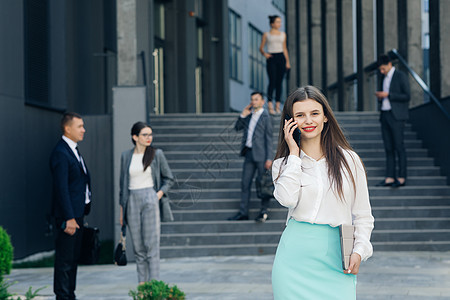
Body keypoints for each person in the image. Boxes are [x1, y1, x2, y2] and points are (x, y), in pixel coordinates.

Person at [271, 86, 374, 299]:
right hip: (294, 258)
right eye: (300, 115)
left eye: (314, 113)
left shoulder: (349, 160)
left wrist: (359, 250)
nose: (308, 120)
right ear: (290, 122)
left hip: (337, 255)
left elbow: (363, 214)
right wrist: (293, 154)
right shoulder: (284, 164)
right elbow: (287, 200)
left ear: (325, 117)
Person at [119, 122, 174, 284]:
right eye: (145, 135)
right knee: (138, 248)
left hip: (150, 197)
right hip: (131, 201)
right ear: (135, 137)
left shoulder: (157, 154)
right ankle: (142, 287)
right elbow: (122, 185)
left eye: (150, 134)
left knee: (151, 246)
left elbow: (169, 178)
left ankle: (154, 286)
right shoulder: (125, 156)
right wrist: (122, 211)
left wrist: (157, 194)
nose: (149, 138)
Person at [50, 112, 91, 300]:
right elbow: (61, 189)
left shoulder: (73, 150)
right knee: (65, 262)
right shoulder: (61, 153)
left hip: (77, 214)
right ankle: (64, 297)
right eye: (80, 126)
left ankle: (69, 296)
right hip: (69, 217)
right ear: (68, 129)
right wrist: (69, 218)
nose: (83, 130)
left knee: (73, 261)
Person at [228, 92, 273, 222]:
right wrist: (243, 115)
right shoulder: (249, 115)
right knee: (245, 184)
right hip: (248, 153)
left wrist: (269, 158)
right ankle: (243, 212)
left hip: (262, 155)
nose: (253, 102)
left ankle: (264, 212)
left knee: (263, 184)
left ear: (262, 102)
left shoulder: (266, 117)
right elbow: (237, 128)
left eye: (256, 99)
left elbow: (269, 138)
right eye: (252, 99)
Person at [375, 54, 410, 187]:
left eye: (383, 69)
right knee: (388, 147)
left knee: (399, 146)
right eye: (380, 70)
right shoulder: (382, 78)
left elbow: (407, 96)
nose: (382, 72)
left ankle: (401, 177)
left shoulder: (400, 76)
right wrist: (381, 97)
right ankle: (389, 177)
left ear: (389, 64)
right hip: (385, 114)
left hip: (397, 116)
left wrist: (388, 95)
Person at [259, 15, 291, 115]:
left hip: (281, 57)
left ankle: (277, 106)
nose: (279, 24)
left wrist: (287, 62)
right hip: (271, 57)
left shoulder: (283, 34)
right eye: (277, 22)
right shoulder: (266, 34)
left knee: (279, 82)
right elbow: (261, 48)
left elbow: (285, 48)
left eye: (280, 22)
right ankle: (270, 105)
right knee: (272, 81)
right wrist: (265, 54)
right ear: (272, 23)